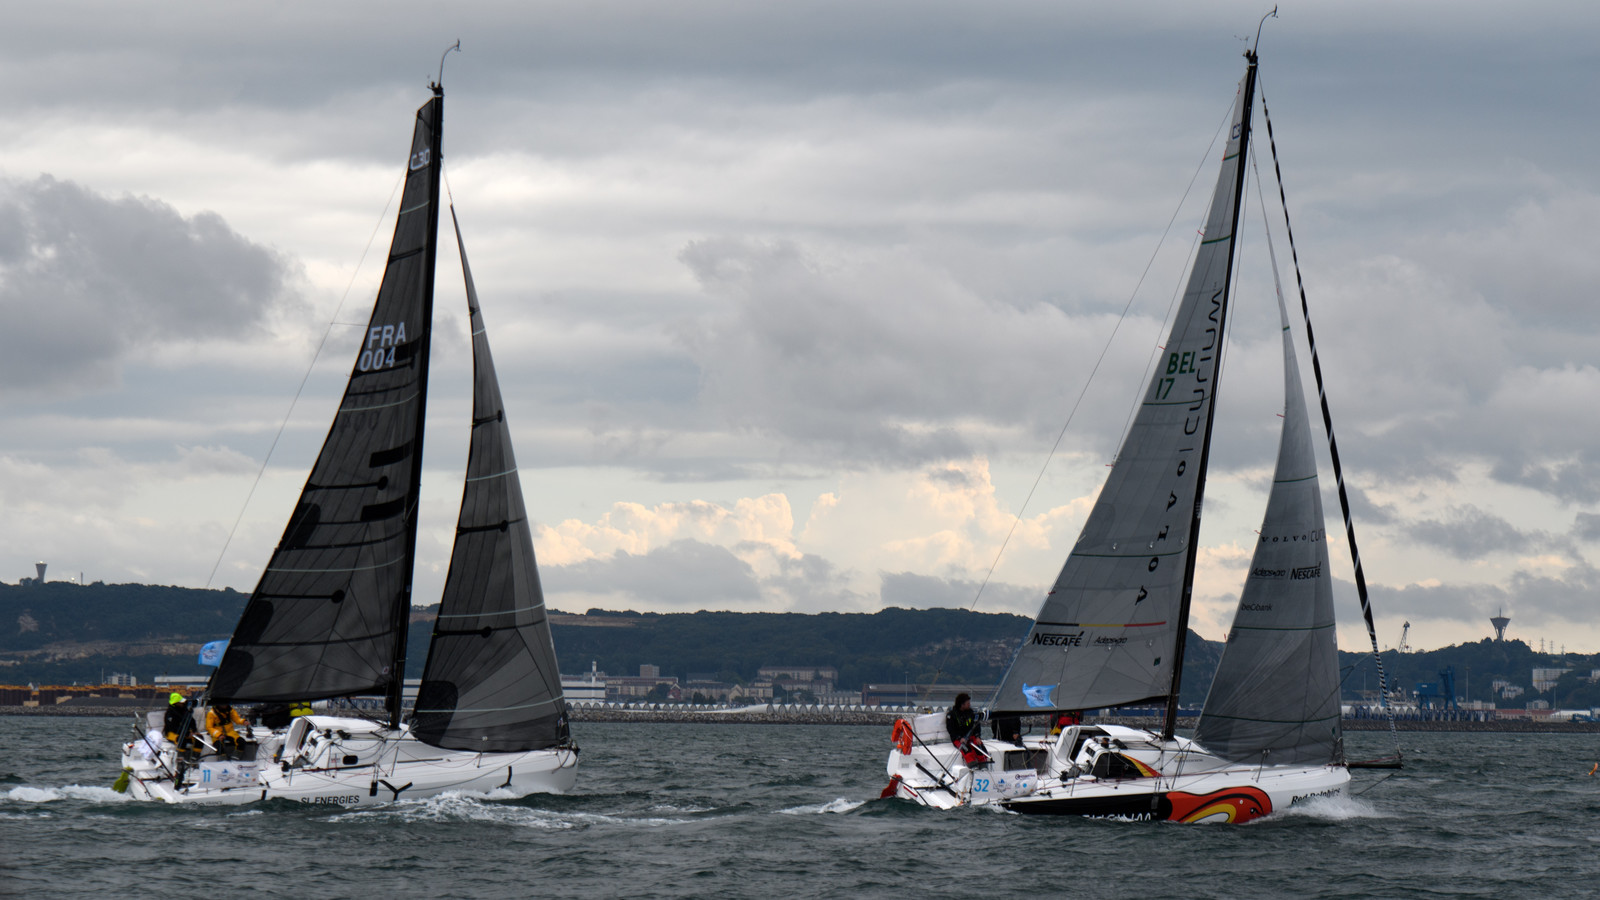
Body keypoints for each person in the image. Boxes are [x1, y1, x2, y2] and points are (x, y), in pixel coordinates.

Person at [945, 693, 988, 767]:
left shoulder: (971, 713)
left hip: (971, 737)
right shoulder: (951, 715)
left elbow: (976, 725)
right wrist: (959, 738)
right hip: (958, 739)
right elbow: (951, 730)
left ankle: (984, 766)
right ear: (962, 704)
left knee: (980, 749)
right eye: (968, 703)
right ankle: (973, 767)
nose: (969, 705)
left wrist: (978, 736)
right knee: (967, 751)